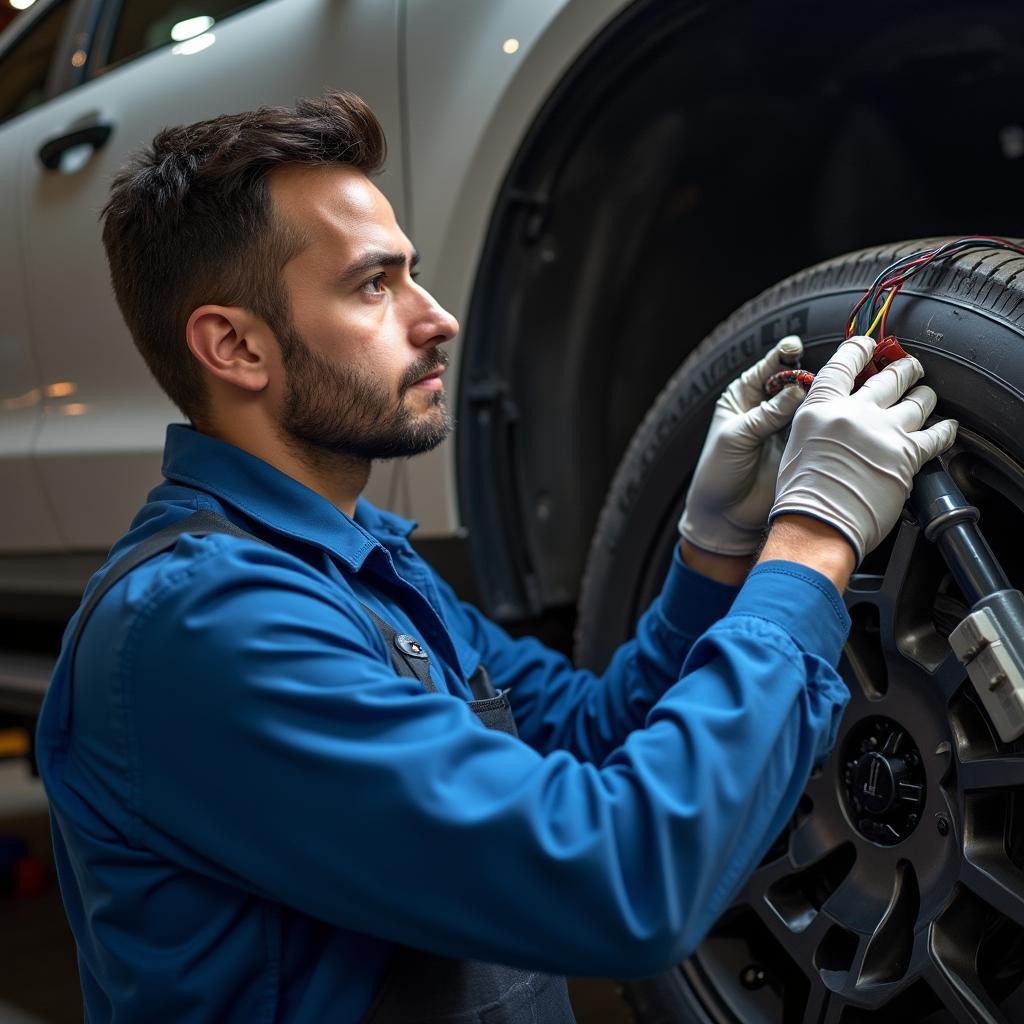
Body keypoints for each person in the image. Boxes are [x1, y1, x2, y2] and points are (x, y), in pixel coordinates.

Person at [35, 92, 957, 1023]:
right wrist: (811, 542)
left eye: (414, 275)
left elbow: (593, 735)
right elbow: (620, 881)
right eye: (373, 285)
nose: (436, 318)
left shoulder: (361, 571)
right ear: (234, 345)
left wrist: (710, 554)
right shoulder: (205, 625)